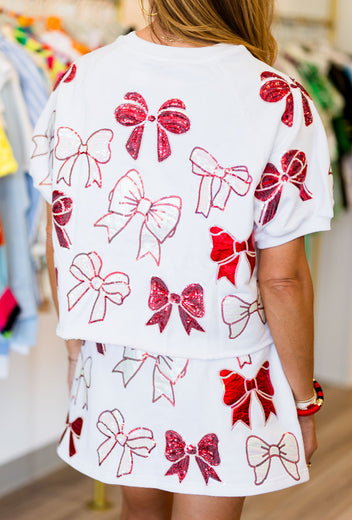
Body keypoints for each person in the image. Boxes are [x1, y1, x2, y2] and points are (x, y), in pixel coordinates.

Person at [29, 1, 333, 518]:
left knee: (139, 512)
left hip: (116, 353)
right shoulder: (278, 99)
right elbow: (282, 279)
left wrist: (76, 351)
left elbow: (65, 235)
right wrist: (303, 402)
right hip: (225, 363)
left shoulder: (81, 78)